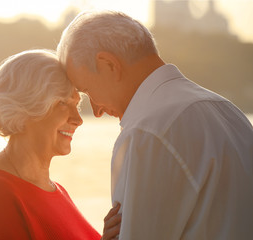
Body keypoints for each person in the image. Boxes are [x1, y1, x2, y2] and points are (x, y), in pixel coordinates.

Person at [57, 10, 253, 239]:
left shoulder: (146, 133)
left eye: (88, 90)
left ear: (109, 64)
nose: (97, 111)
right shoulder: (229, 113)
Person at [0, 49, 121, 240]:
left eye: (76, 105)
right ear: (25, 107)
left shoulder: (55, 190)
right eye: (63, 103)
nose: (78, 119)